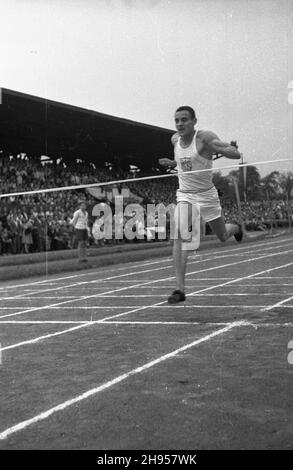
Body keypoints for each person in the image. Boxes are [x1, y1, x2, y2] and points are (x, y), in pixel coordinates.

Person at [159, 106, 243, 304]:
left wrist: (230, 150)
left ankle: (236, 228)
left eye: (184, 120)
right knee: (179, 236)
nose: (180, 124)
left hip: (207, 196)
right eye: (177, 120)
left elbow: (229, 151)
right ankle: (179, 289)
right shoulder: (174, 140)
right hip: (185, 195)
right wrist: (172, 163)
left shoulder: (204, 138)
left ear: (194, 121)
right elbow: (184, 162)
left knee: (222, 236)